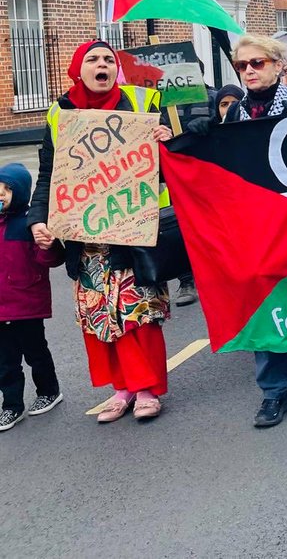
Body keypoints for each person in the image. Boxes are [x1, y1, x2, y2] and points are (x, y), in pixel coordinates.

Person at [28, 41, 172, 423]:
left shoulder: (141, 103)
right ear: (79, 69)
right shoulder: (60, 113)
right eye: (93, 59)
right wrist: (38, 218)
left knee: (138, 313)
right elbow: (49, 174)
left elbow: (169, 160)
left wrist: (166, 142)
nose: (102, 64)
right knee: (100, 318)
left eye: (108, 59)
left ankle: (147, 388)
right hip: (86, 239)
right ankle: (122, 388)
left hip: (132, 232)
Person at [208, 34, 287, 427]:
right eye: (242, 66)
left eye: (257, 63)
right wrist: (199, 137)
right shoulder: (234, 114)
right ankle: (274, 392)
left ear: (279, 66)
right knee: (260, 303)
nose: (249, 72)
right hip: (251, 224)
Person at [0, 163, 65, 432]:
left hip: (27, 304)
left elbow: (51, 259)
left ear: (21, 192)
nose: (1, 194)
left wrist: (48, 245)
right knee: (5, 361)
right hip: (2, 307)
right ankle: (11, 406)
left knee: (35, 352)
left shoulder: (30, 224)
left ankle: (48, 391)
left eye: (6, 189)